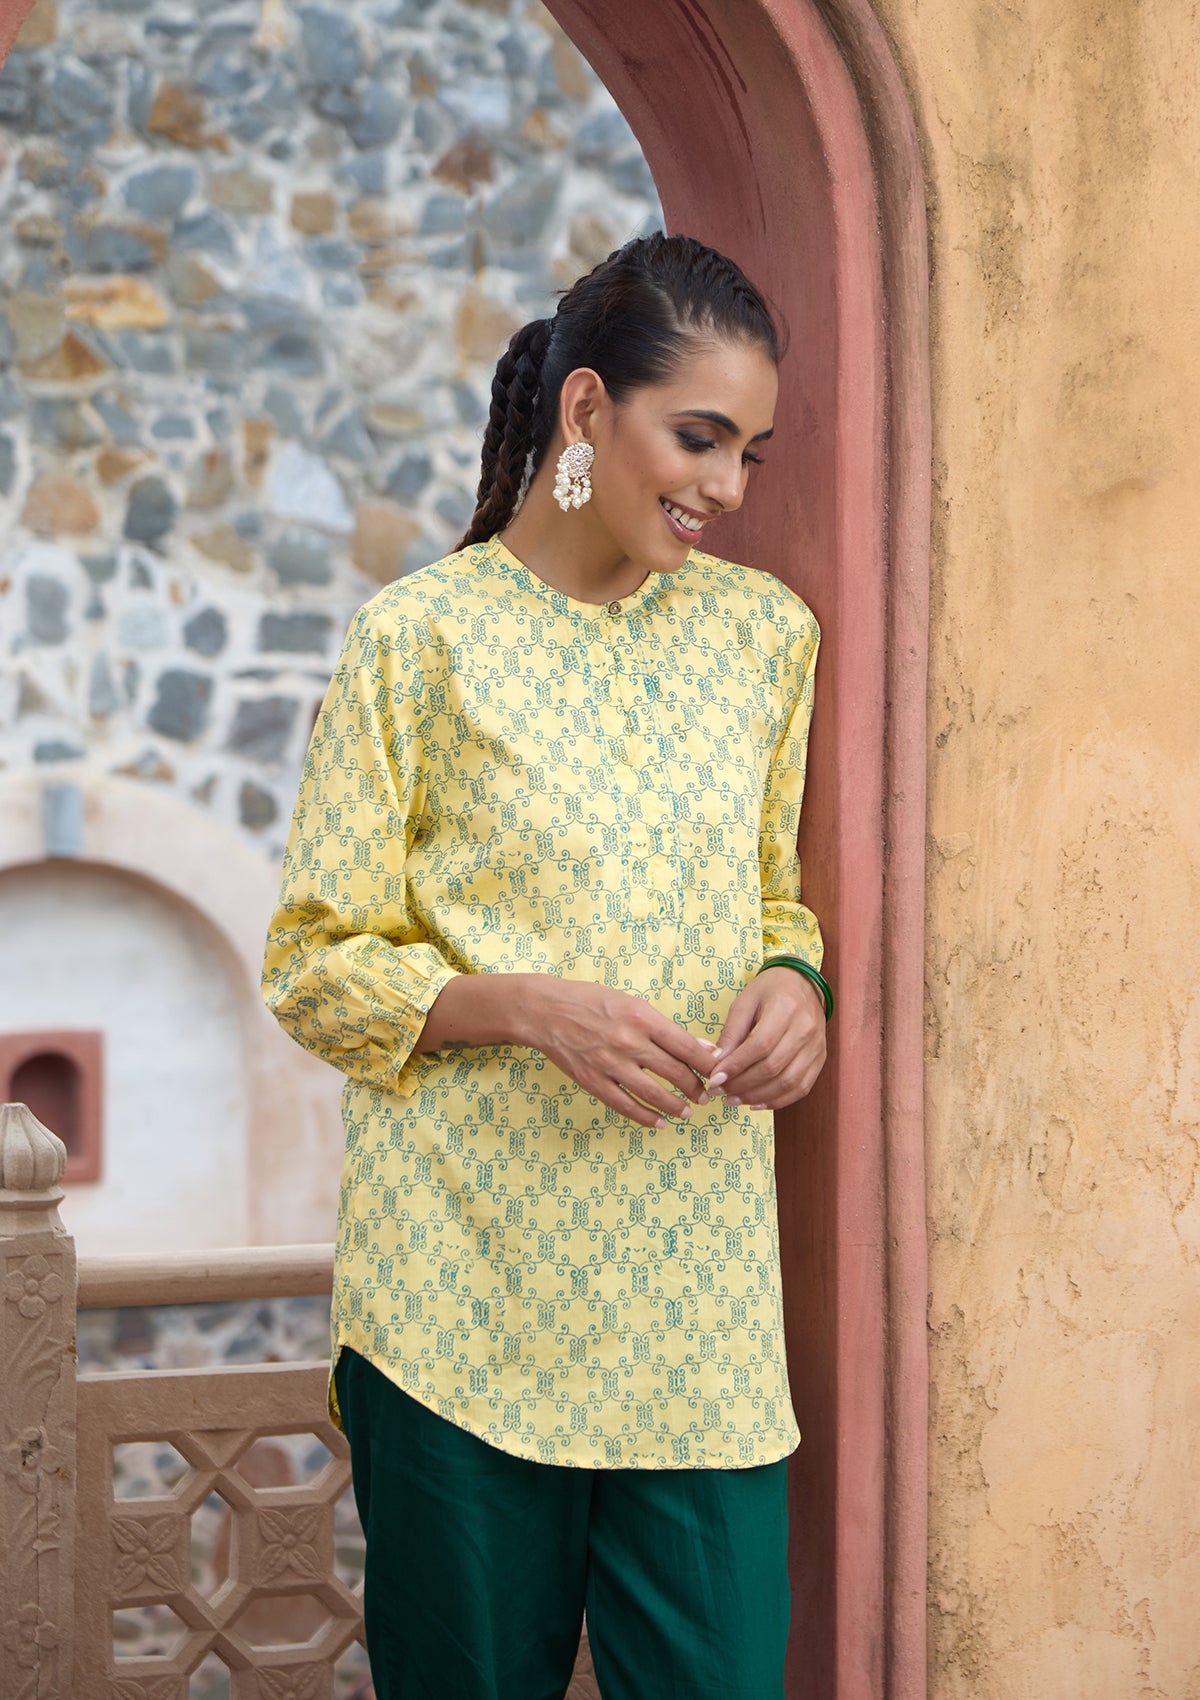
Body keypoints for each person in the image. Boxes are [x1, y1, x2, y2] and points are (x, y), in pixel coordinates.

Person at [262, 231, 832, 1700]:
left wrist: (796, 985)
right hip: (463, 1298)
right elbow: (314, 962)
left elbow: (775, 895)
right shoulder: (418, 645)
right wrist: (526, 1011)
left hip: (699, 1310)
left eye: (751, 452)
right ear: (586, 410)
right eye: (698, 438)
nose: (728, 487)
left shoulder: (764, 640)